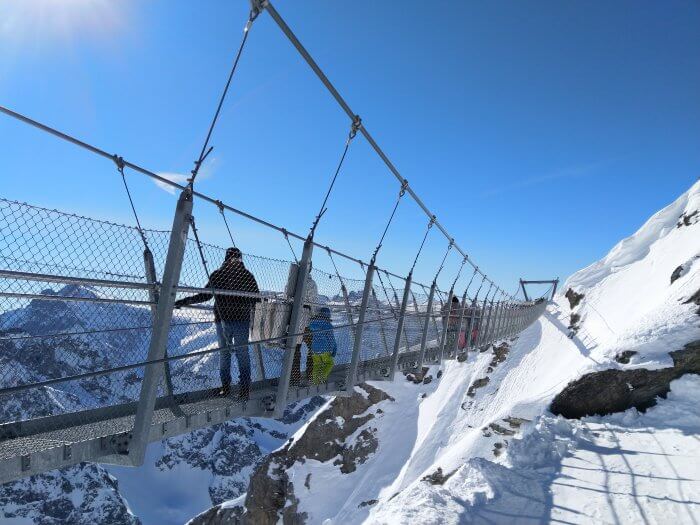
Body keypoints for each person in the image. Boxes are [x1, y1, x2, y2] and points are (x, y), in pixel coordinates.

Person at [174, 247, 260, 399]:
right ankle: (245, 389)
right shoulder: (247, 276)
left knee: (225, 355)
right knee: (242, 354)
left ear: (225, 258)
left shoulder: (218, 275)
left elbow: (205, 296)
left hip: (222, 320)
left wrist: (185, 301)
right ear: (241, 258)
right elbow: (256, 299)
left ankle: (226, 388)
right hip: (242, 320)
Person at [291, 306, 337, 385]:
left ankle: (315, 382)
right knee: (329, 363)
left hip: (314, 349)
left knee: (317, 365)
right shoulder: (328, 325)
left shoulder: (312, 324)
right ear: (328, 316)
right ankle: (322, 378)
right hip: (325, 349)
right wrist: (333, 349)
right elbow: (331, 339)